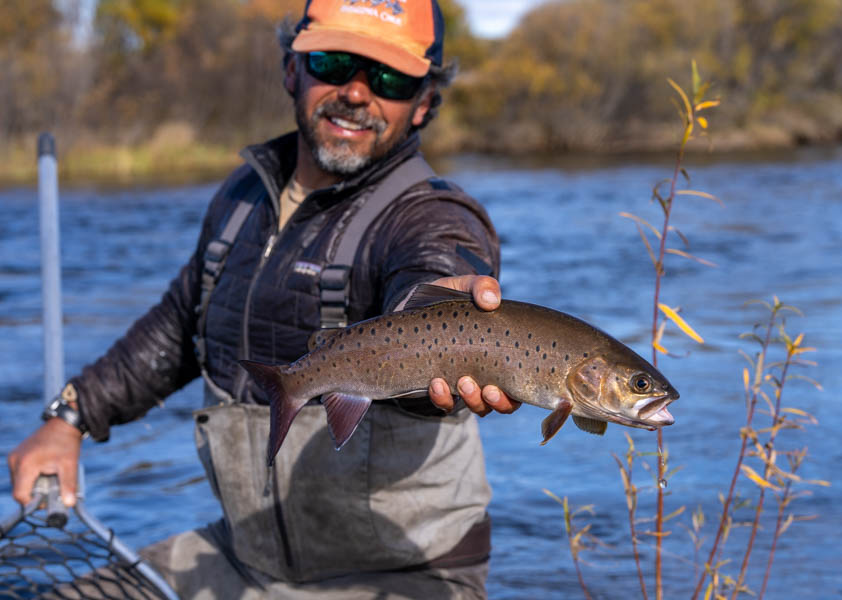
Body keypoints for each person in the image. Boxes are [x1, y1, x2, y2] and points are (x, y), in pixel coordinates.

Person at [7, 1, 520, 597]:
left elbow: (438, 265)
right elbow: (178, 327)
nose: (356, 93)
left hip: (401, 574)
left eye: (388, 79)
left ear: (424, 103)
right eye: (332, 63)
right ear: (290, 71)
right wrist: (69, 417)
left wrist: (444, 321)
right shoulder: (242, 195)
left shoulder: (434, 215)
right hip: (243, 556)